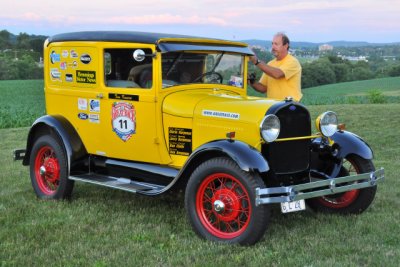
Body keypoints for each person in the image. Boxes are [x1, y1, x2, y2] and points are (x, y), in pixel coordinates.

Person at [249, 32, 302, 101]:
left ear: (286, 45)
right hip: (273, 107)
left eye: (276, 44)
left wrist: (256, 61)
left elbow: (277, 74)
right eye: (272, 44)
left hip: (289, 106)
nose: (273, 47)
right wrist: (252, 82)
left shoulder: (293, 62)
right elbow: (263, 88)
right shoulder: (270, 64)